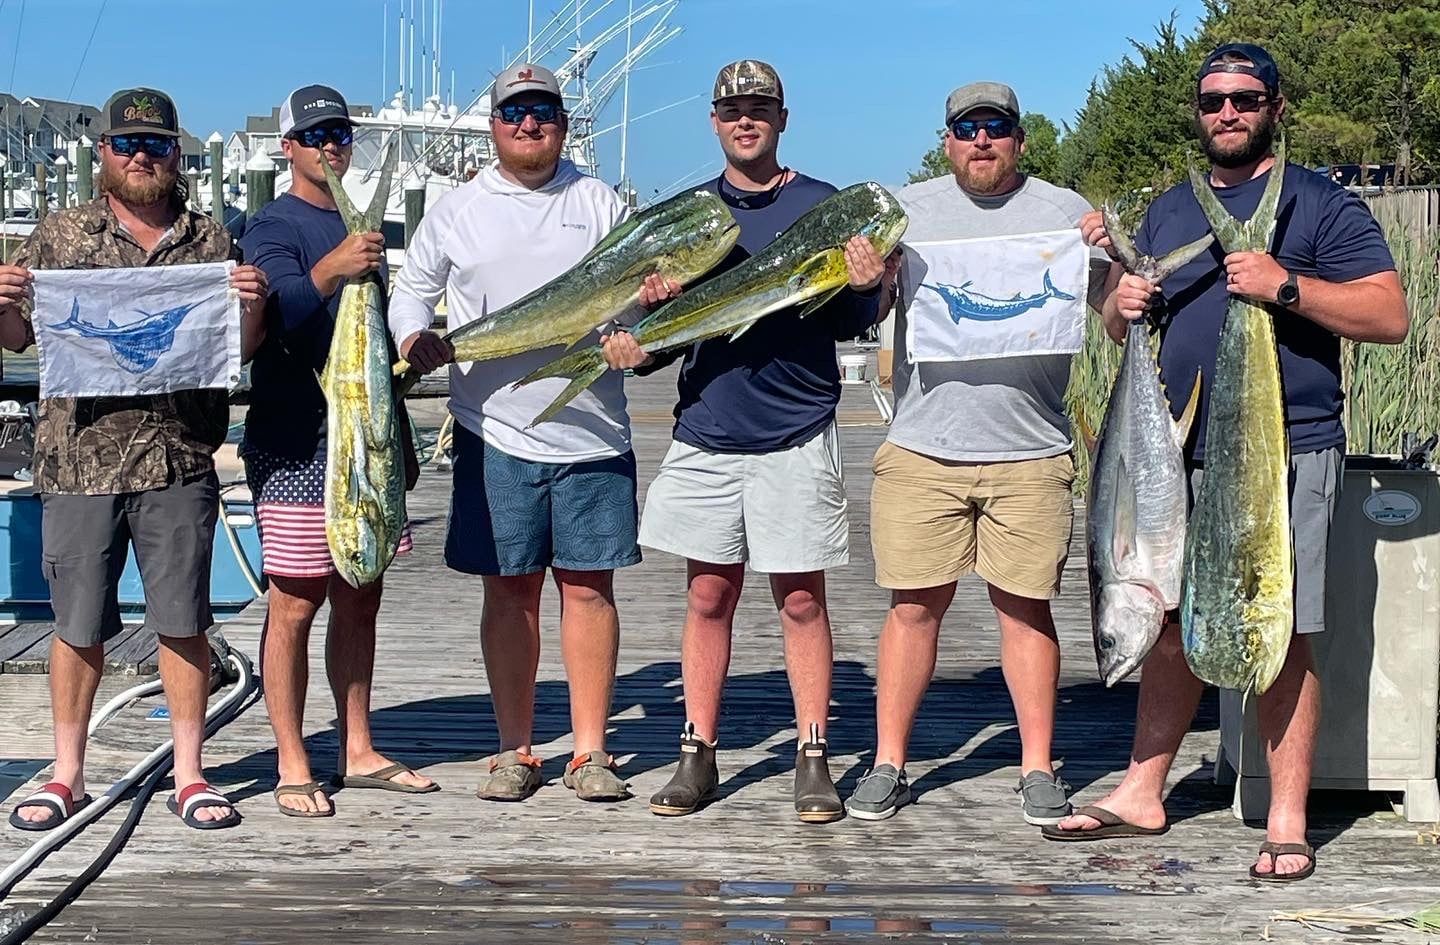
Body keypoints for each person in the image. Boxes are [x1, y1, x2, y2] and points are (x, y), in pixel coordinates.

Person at [1051, 44, 1408, 883]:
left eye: (1245, 98)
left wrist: (1288, 287)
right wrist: (1119, 298)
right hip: (1173, 454)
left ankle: (1287, 817)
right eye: (1213, 100)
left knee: (1277, 625)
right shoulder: (1173, 210)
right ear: (1199, 111)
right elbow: (1115, 324)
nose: (1227, 113)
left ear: (1275, 107)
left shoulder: (1323, 204)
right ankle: (1144, 790)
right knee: (1168, 616)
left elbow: (1389, 313)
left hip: (1289, 445)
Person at [601, 59, 892, 823]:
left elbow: (850, 321)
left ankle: (813, 753)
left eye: (760, 107)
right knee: (708, 593)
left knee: (800, 597)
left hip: (796, 428)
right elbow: (662, 336)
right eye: (733, 108)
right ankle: (697, 750)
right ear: (714, 121)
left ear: (782, 119)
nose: (746, 119)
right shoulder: (689, 216)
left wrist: (867, 285)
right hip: (707, 427)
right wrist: (639, 332)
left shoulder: (823, 206)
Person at [845, 82, 1117, 826]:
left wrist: (1117, 258)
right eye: (967, 129)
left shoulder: (1064, 210)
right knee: (912, 608)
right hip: (923, 447)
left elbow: (1115, 317)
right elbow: (868, 310)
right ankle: (889, 762)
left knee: (1026, 609)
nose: (981, 141)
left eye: (996, 128)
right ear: (947, 141)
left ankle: (1037, 765)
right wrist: (867, 282)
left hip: (1031, 449)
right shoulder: (908, 207)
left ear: (1019, 139)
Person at [389, 63, 662, 803]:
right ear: (494, 125)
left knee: (589, 590)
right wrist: (414, 338)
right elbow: (410, 292)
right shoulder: (458, 208)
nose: (529, 123)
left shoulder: (599, 200)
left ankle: (592, 751)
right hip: (494, 428)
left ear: (564, 123)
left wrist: (641, 320)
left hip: (593, 430)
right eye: (515, 112)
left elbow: (639, 296)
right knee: (508, 594)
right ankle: (515, 748)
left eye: (543, 111)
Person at [0, 87, 268, 831]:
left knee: (182, 621)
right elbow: (17, 336)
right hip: (77, 464)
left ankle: (189, 771)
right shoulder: (57, 234)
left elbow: (239, 349)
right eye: (128, 143)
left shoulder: (210, 240)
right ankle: (67, 773)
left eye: (156, 144)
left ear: (177, 153)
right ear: (104, 154)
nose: (143, 155)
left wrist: (251, 302)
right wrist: (3, 297)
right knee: (76, 624)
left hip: (179, 460)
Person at [239, 84, 446, 817]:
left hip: (371, 437)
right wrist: (334, 268)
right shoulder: (271, 223)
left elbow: (372, 334)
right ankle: (293, 756)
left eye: (340, 133)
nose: (331, 144)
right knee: (295, 601)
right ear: (286, 148)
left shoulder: (365, 235)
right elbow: (274, 317)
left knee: (363, 593)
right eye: (315, 134)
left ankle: (357, 746)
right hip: (299, 442)